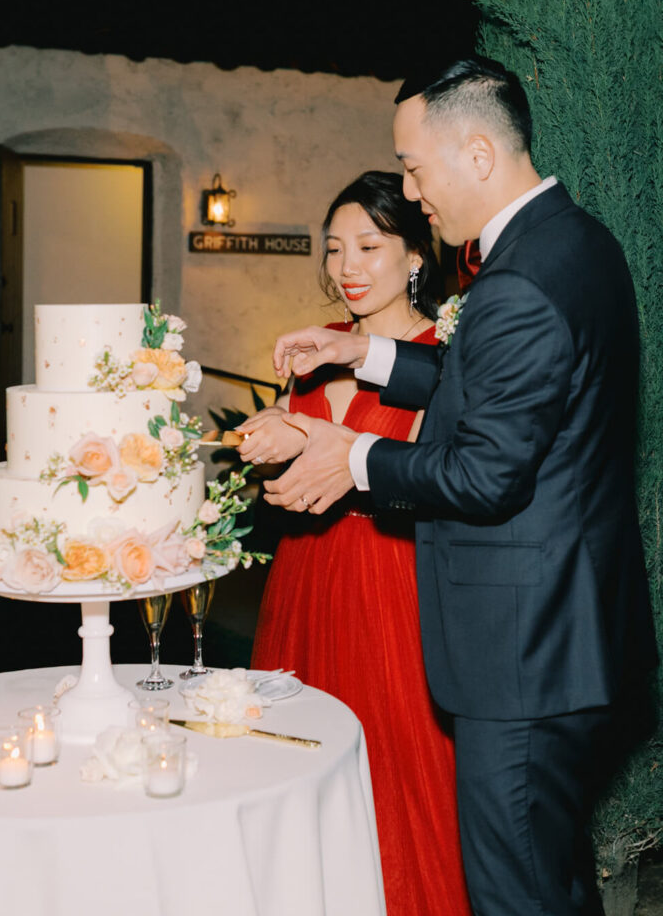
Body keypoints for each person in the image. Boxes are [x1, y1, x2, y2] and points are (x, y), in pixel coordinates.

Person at [259, 58, 657, 916]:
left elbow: (484, 470)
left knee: (515, 894)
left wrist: (351, 459)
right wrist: (359, 352)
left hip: (523, 657)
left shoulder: (518, 281)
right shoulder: (573, 244)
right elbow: (488, 380)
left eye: (414, 165)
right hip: (568, 637)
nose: (412, 187)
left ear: (477, 153)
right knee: (553, 879)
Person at [237, 171, 472, 916]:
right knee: (294, 766)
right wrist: (270, 440)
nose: (347, 266)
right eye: (335, 248)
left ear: (413, 257)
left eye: (369, 245)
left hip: (393, 585)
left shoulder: (445, 357)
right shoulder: (314, 352)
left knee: (396, 776)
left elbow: (450, 478)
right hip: (304, 579)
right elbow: (297, 466)